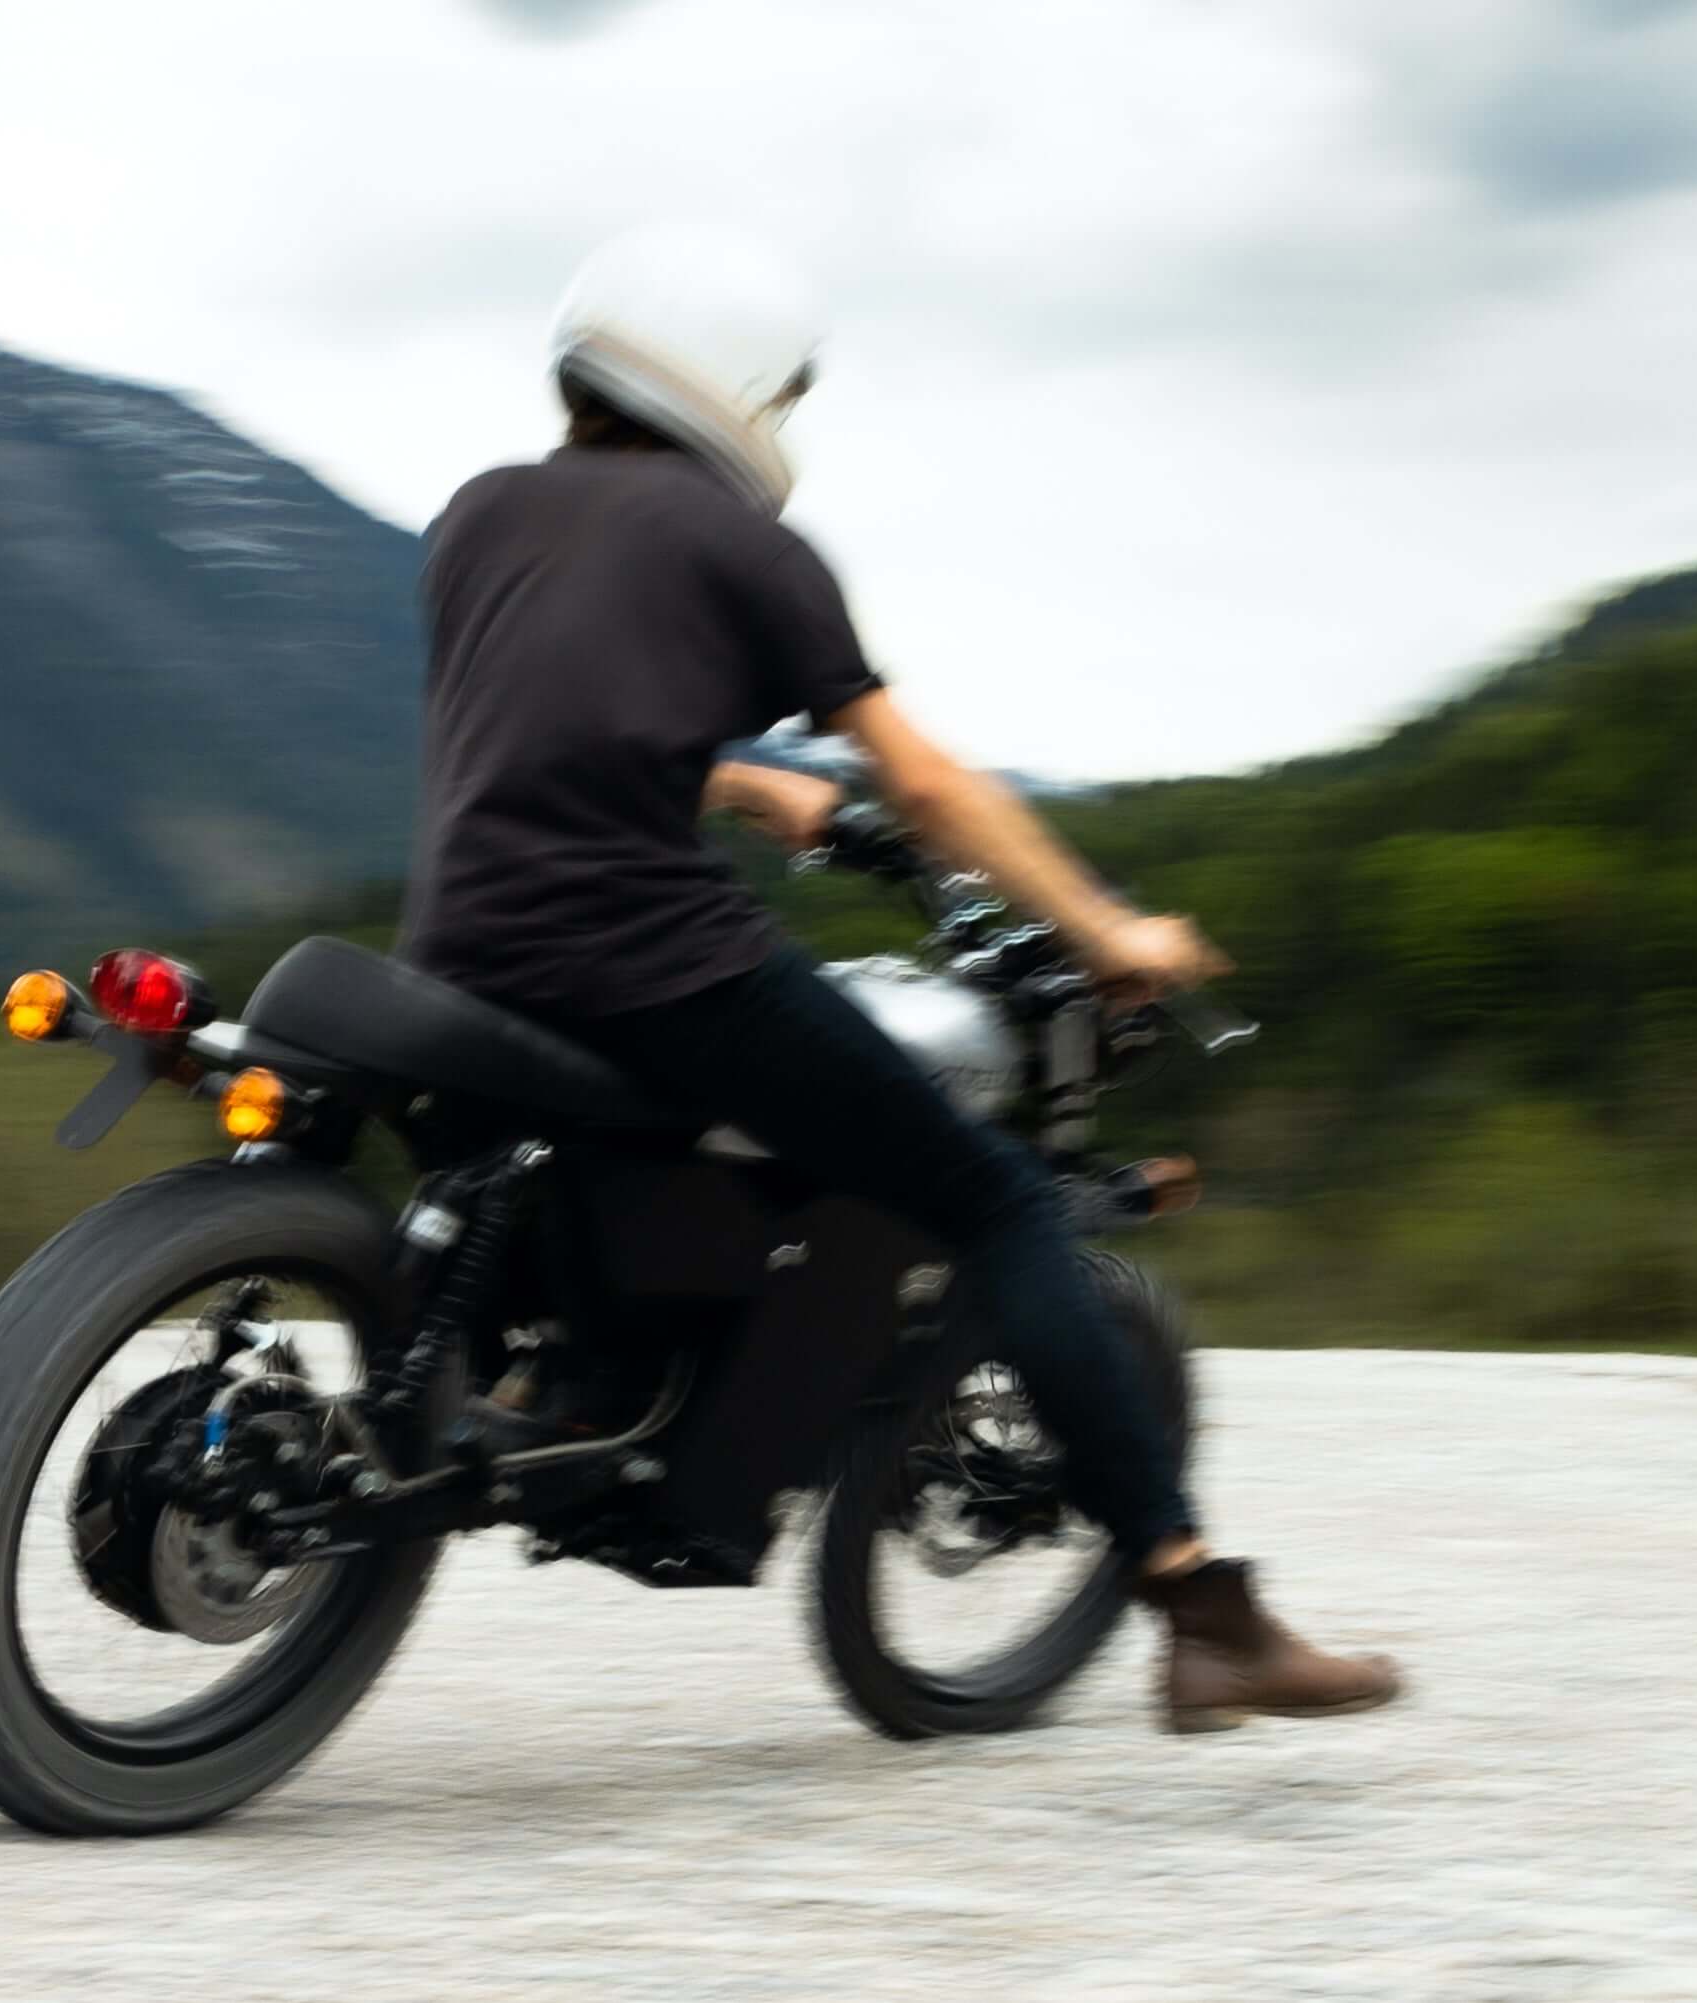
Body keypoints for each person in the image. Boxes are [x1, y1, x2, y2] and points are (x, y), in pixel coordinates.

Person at [396, 224, 1400, 1734]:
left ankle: (579, 1392)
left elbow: (546, 735)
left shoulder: (481, 516)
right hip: (651, 966)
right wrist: (1107, 926)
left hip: (463, 948)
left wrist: (739, 784)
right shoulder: (749, 546)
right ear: (738, 384)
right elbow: (926, 781)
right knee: (997, 1202)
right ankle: (1197, 1604)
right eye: (783, 398)